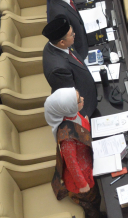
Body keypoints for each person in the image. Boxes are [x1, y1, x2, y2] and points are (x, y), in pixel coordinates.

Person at [44, 88, 101, 218]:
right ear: (68, 108)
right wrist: (82, 184)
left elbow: (82, 126)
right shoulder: (67, 138)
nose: (83, 99)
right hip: (81, 177)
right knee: (92, 202)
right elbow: (72, 164)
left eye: (79, 96)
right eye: (78, 100)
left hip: (88, 158)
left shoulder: (74, 115)